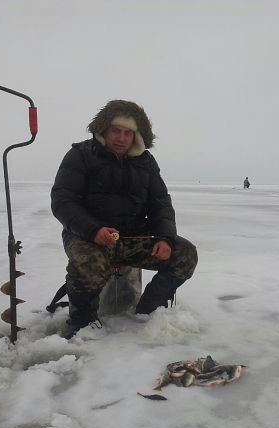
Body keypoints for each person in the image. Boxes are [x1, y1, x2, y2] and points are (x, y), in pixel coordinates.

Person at [51, 100, 198, 338]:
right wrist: (93, 229)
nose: (121, 138)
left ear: (136, 135)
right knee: (89, 263)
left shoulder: (146, 162)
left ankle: (148, 313)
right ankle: (82, 324)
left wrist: (165, 238)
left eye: (128, 133)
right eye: (115, 131)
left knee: (185, 254)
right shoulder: (80, 155)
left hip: (133, 237)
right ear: (103, 129)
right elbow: (62, 201)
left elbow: (161, 204)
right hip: (88, 237)